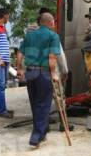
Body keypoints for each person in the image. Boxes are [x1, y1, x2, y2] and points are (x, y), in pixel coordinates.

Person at [17, 13, 60, 147]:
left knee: (35, 102)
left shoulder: (29, 35)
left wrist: (19, 68)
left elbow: (19, 53)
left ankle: (43, 130)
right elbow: (52, 57)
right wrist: (53, 73)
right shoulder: (53, 36)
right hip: (44, 72)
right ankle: (37, 135)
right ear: (50, 22)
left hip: (30, 72)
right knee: (43, 103)